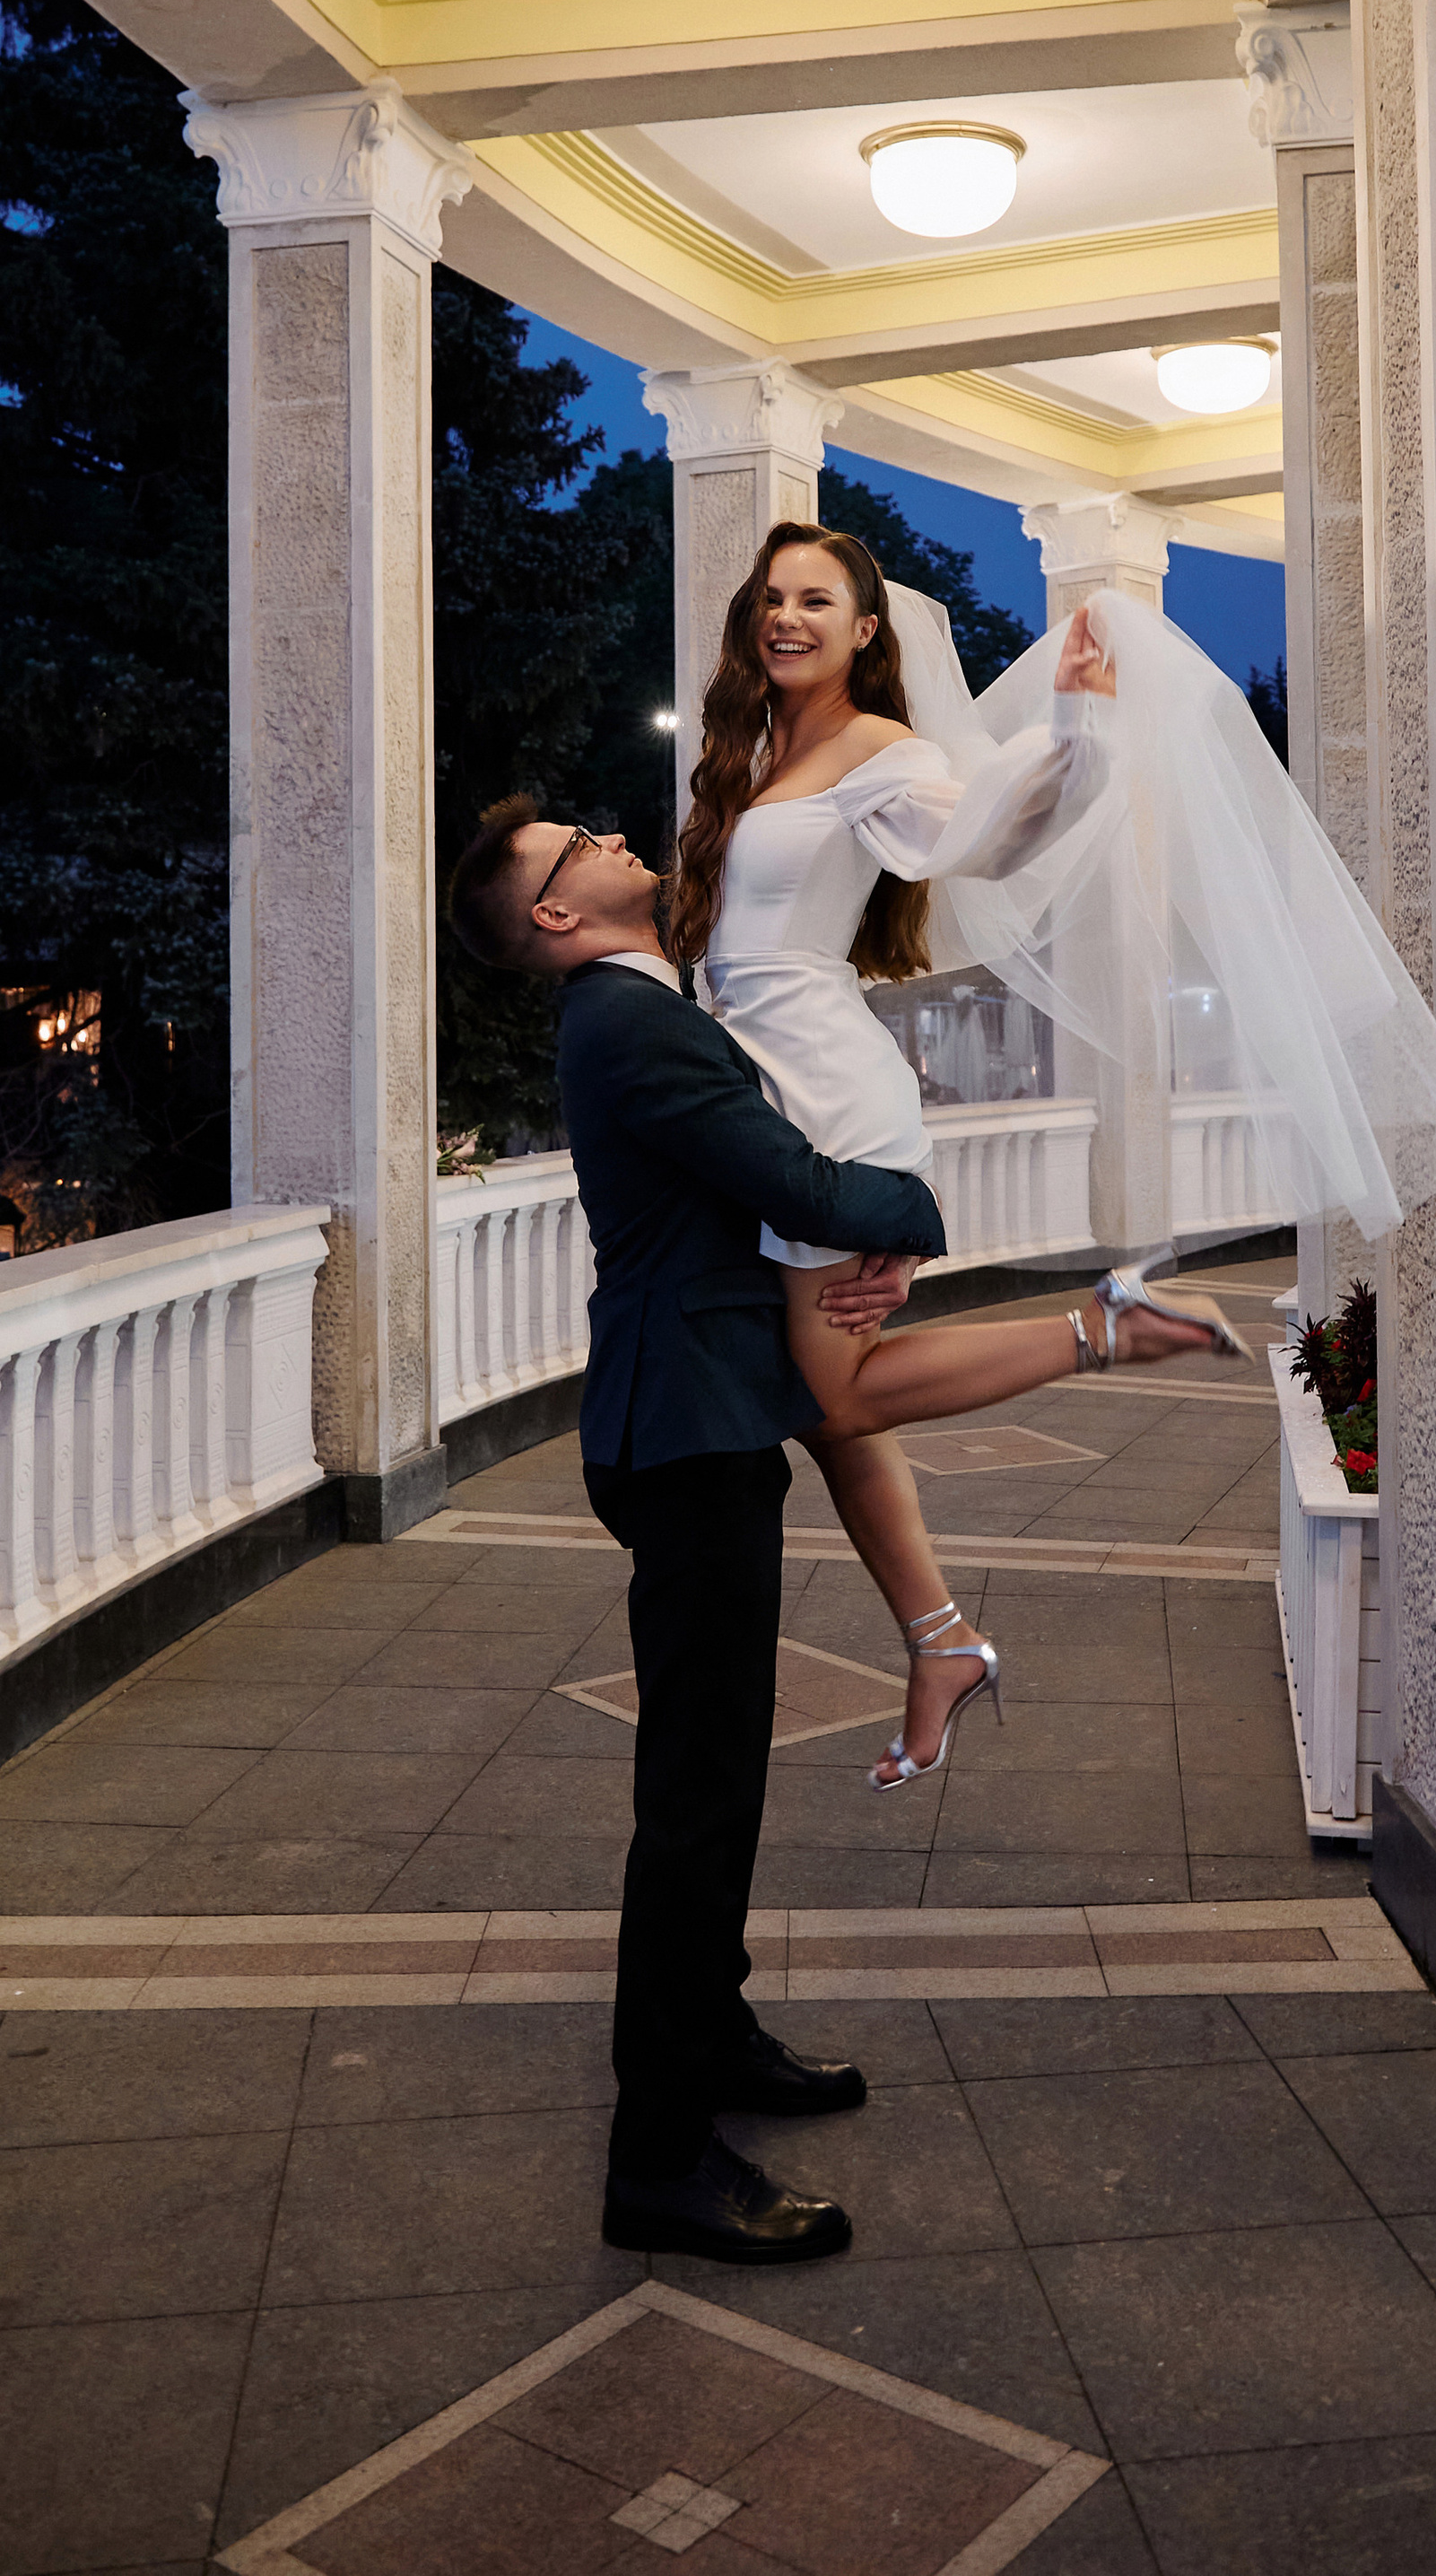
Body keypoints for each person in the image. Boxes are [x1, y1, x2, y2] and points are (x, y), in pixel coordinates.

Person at [666, 526, 1241, 1790]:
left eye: (818, 599)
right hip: (769, 1097)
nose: (788, 616)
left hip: (824, 1105)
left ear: (866, 630)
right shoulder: (760, 752)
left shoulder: (879, 748)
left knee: (834, 1397)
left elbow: (989, 838)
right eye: (772, 597)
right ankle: (940, 1644)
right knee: (826, 1411)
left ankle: (1102, 1328)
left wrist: (1079, 728)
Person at [445, 811, 944, 2264]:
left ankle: (713, 2038)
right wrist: (917, 1206)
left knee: (717, 1773)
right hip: (685, 1430)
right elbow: (789, 1179)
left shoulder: (642, 1009)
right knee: (696, 1800)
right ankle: (658, 2160)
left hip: (695, 1416)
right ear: (554, 916)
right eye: (577, 844)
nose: (614, 835)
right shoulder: (629, 1022)